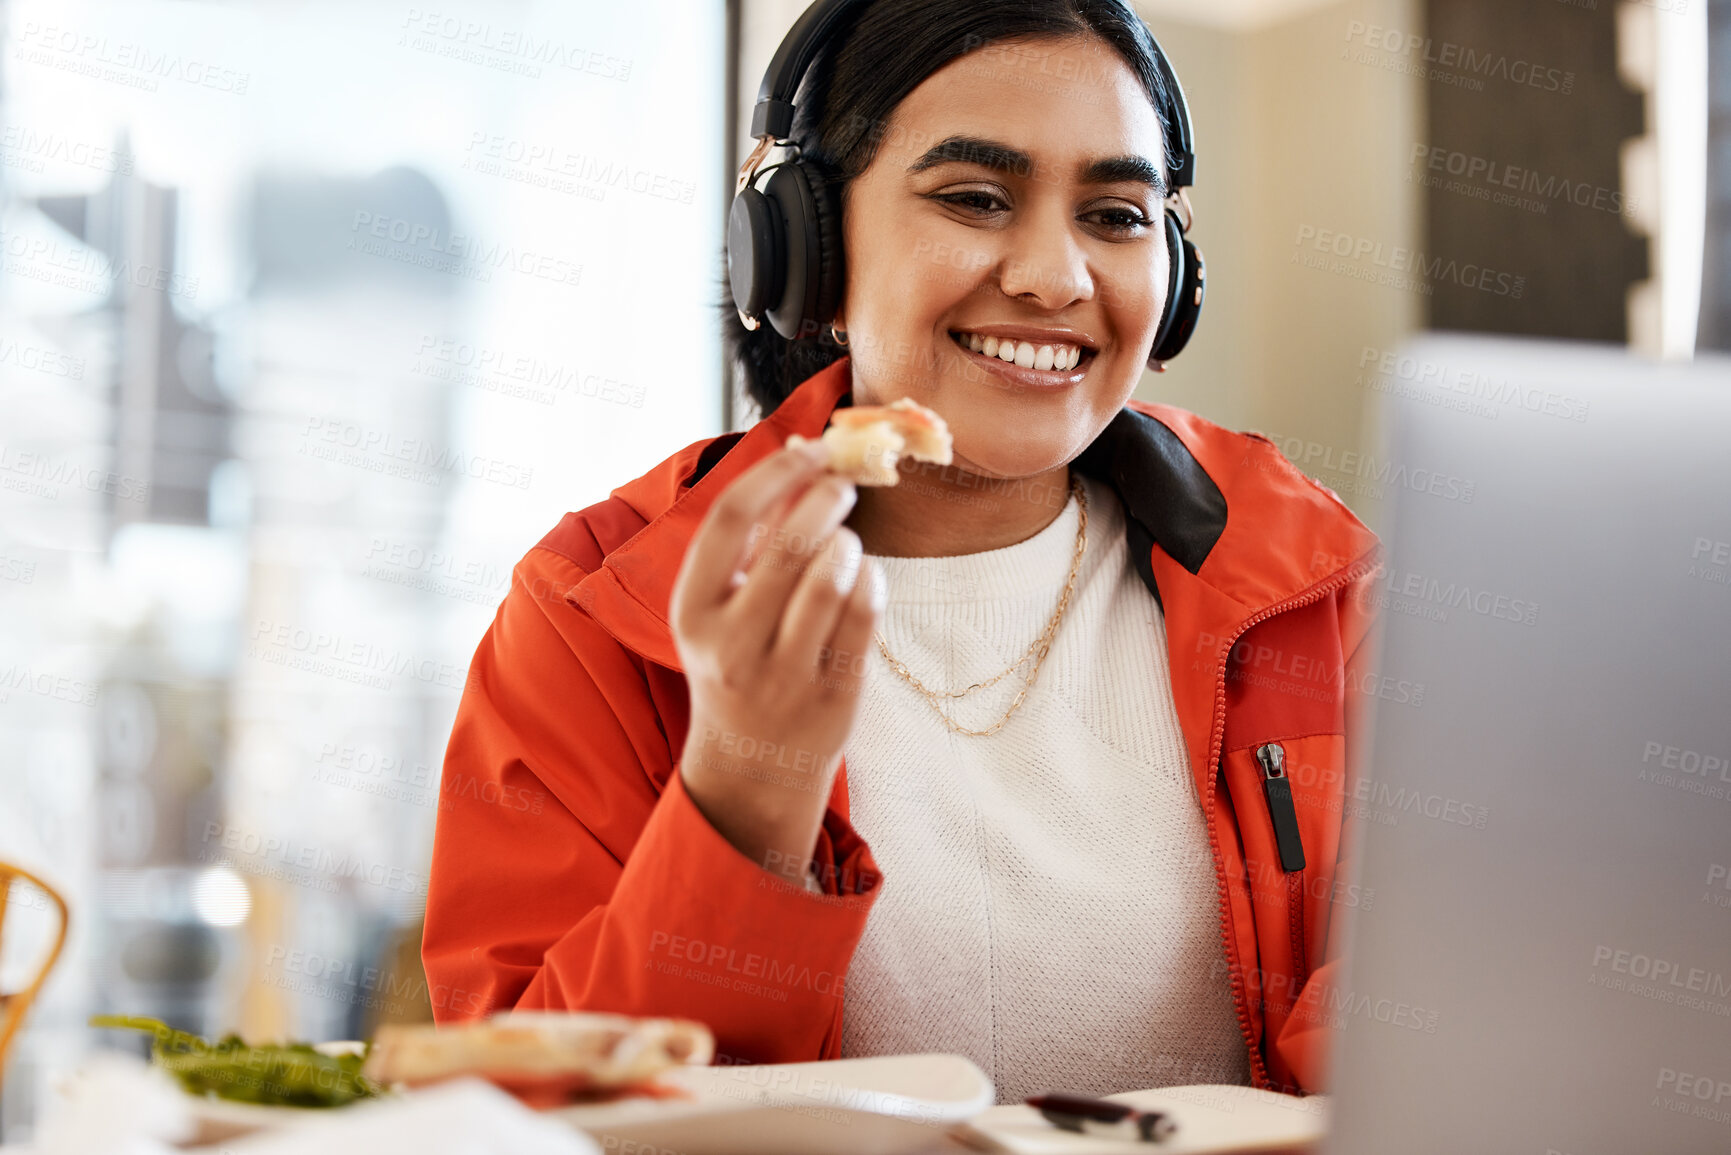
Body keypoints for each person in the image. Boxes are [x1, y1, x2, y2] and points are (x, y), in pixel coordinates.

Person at [422, 0, 1383, 1104]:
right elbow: (513, 1118)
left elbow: (1436, 1049)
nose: (1054, 278)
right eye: (976, 198)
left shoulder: (1323, 592)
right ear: (806, 248)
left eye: (1115, 214)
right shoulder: (593, 611)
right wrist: (741, 795)